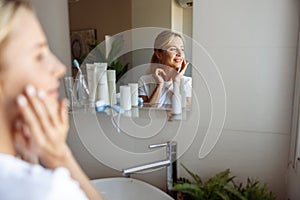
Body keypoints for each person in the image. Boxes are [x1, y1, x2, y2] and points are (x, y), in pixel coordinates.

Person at [0, 0, 104, 199]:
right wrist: (60, 157)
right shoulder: (47, 191)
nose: (60, 67)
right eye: (39, 55)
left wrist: (29, 162)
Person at [138, 30, 192, 105]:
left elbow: (186, 113)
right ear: (159, 54)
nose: (180, 53)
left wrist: (176, 82)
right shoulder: (144, 81)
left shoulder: (188, 82)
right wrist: (159, 85)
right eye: (173, 49)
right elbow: (146, 113)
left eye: (182, 49)